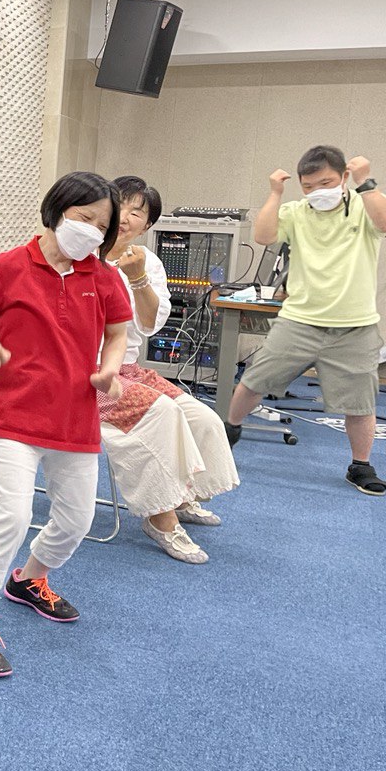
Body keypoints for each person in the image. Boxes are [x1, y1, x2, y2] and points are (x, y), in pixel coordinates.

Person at [0, 172, 131, 677]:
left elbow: (117, 333)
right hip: (14, 413)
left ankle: (29, 580)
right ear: (57, 210)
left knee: (76, 520)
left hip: (75, 416)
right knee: (9, 515)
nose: (91, 230)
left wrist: (110, 367)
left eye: (101, 224)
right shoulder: (9, 265)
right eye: (83, 217)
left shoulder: (105, 277)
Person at [225, 147, 386, 495]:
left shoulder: (365, 206)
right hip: (299, 321)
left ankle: (360, 466)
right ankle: (227, 433)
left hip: (355, 325)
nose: (318, 191)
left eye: (326, 182)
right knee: (253, 381)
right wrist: (276, 193)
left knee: (361, 402)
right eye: (308, 186)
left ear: (344, 178)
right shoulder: (295, 212)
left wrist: (367, 182)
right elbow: (263, 235)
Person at [100, 176, 240, 564]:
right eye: (119, 206)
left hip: (127, 368)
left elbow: (148, 325)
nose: (125, 217)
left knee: (201, 417)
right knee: (159, 415)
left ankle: (181, 496)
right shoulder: (81, 256)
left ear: (147, 226)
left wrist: (137, 277)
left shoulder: (148, 261)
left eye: (137, 212)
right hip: (86, 376)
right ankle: (160, 519)